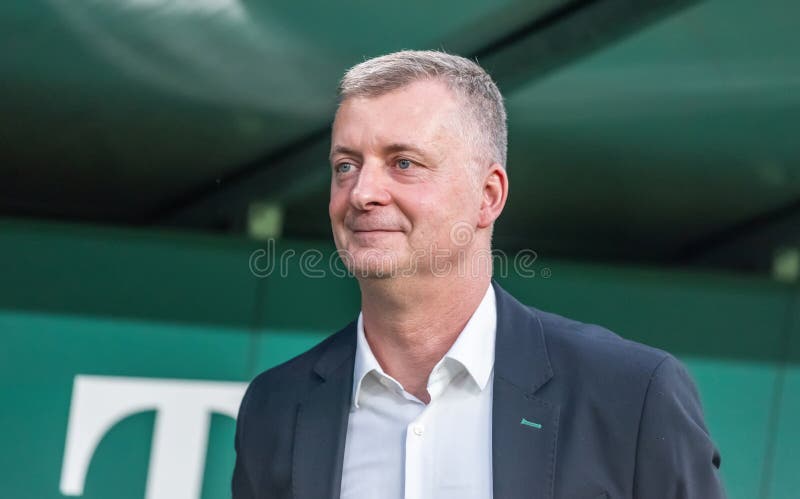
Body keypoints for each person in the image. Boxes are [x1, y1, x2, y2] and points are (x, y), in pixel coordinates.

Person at [232, 50, 725, 499]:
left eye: (404, 163)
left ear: (488, 195)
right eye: (346, 165)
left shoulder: (631, 394)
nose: (362, 193)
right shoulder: (277, 406)